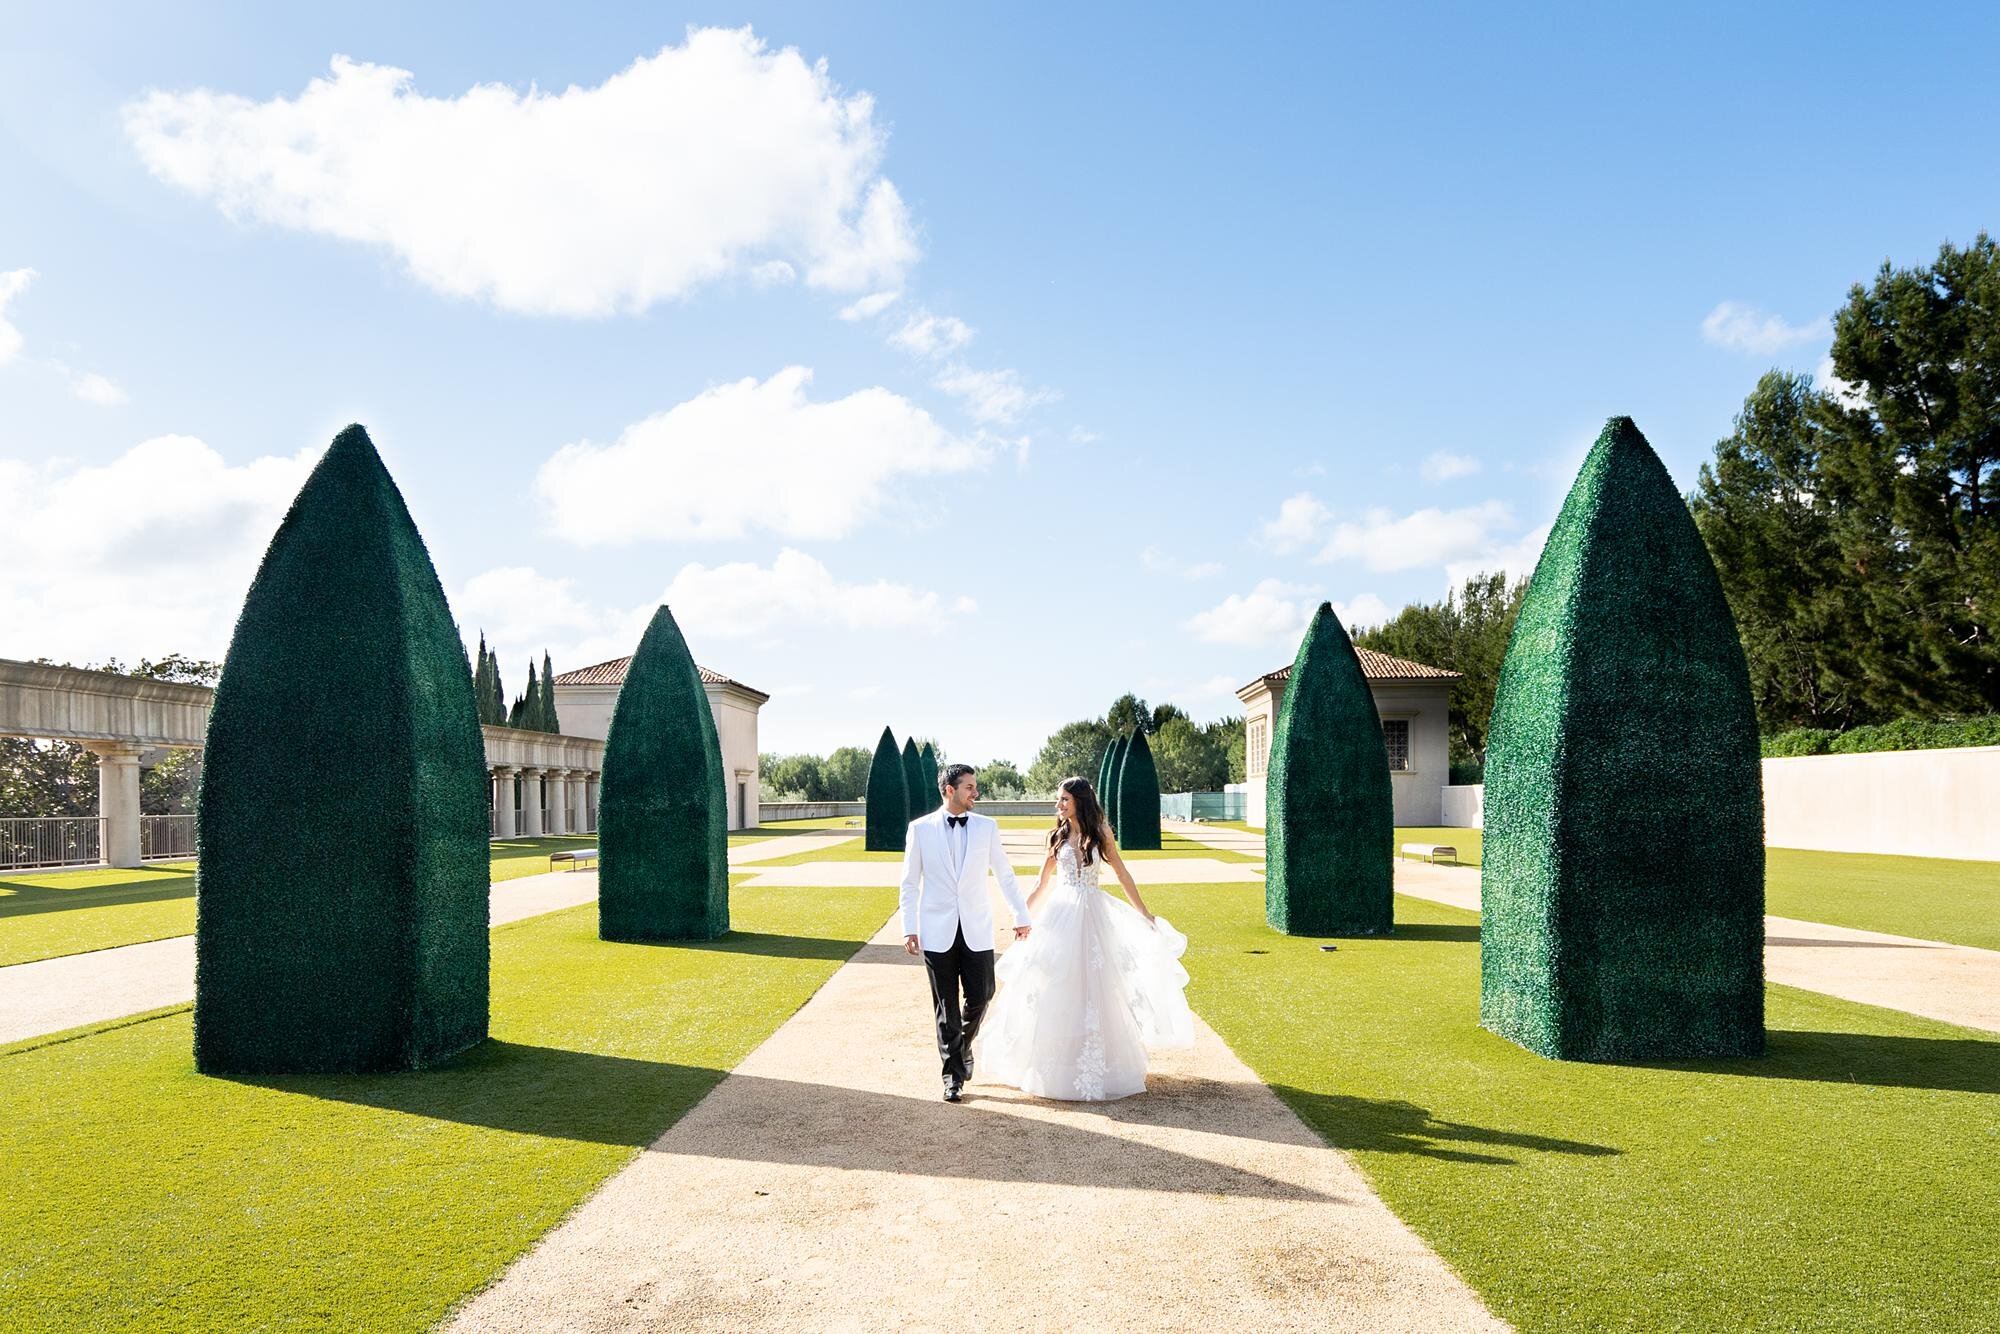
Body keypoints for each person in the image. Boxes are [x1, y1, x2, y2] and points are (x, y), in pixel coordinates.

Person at [975, 775, 1194, 1101]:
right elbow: (1041, 883)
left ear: (1080, 800)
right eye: (1058, 799)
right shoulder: (1056, 836)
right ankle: (1051, 1064)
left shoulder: (1101, 833)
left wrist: (1145, 914)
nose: (1058, 805)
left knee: (1096, 986)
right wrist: (1022, 919)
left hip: (1093, 915)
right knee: (1054, 984)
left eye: (1064, 799)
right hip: (1060, 915)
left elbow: (1121, 873)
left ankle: (1098, 1063)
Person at [900, 763, 1031, 1102]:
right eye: (970, 787)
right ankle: (953, 1077)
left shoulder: (987, 827)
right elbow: (910, 883)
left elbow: (1005, 873)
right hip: (935, 928)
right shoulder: (920, 829)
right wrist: (909, 928)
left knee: (983, 993)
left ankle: (961, 1046)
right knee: (946, 1006)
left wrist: (1020, 913)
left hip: (976, 926)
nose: (976, 792)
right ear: (949, 790)